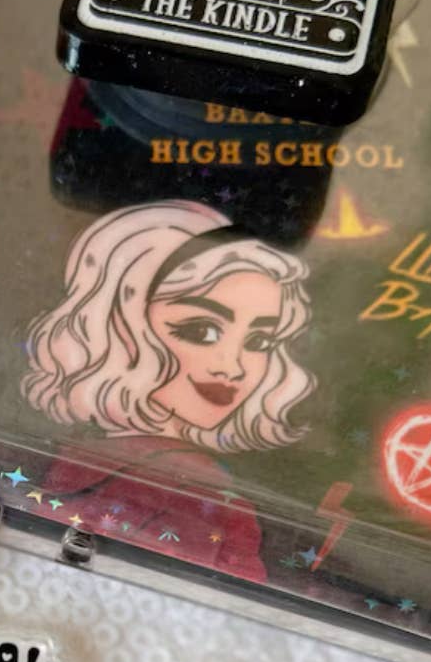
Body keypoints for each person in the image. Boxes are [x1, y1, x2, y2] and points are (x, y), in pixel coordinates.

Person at [22, 200, 316, 584]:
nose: (233, 367)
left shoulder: (72, 458)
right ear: (122, 325)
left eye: (259, 341)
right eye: (201, 330)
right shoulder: (74, 458)